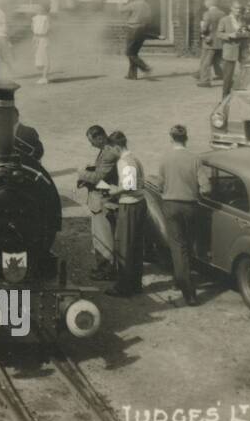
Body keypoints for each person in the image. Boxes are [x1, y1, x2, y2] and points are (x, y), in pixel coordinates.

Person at [149, 125, 201, 306]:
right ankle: (182, 280)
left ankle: (187, 290)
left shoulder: (165, 158)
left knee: (178, 248)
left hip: (171, 206)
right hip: (191, 207)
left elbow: (161, 185)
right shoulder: (195, 158)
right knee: (189, 244)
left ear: (171, 139)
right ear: (186, 138)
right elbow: (206, 186)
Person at [99, 130, 146, 297]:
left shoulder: (125, 162)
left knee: (124, 247)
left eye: (110, 148)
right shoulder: (134, 158)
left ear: (117, 147)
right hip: (139, 204)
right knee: (136, 247)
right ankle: (135, 283)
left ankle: (123, 287)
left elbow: (129, 185)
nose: (109, 152)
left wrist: (112, 191)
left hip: (130, 206)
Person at [77, 125, 120, 279]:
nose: (91, 144)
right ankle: (104, 268)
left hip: (104, 200)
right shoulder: (107, 150)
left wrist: (82, 174)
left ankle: (107, 271)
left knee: (104, 238)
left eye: (92, 141)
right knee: (102, 237)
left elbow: (98, 178)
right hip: (104, 195)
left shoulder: (108, 153)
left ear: (100, 137)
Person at [216, 0, 245, 98]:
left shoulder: (242, 20)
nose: (238, 10)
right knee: (228, 76)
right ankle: (224, 97)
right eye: (236, 8)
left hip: (241, 50)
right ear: (231, 8)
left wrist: (245, 32)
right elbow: (218, 34)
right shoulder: (224, 20)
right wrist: (229, 35)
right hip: (229, 50)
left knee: (244, 74)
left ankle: (240, 96)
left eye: (240, 9)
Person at [123, 0, 153, 80]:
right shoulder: (146, 5)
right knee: (134, 53)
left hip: (133, 29)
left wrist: (118, 1)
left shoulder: (134, 4)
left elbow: (121, 10)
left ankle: (145, 67)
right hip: (141, 30)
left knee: (129, 52)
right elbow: (149, 18)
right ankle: (132, 75)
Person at [196, 0, 225, 87]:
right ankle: (222, 75)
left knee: (205, 61)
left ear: (208, 4)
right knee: (218, 60)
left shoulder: (207, 14)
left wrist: (202, 31)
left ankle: (204, 80)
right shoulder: (223, 13)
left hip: (210, 41)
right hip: (220, 40)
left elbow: (204, 28)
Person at [31, 2, 52, 84]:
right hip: (36, 38)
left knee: (45, 58)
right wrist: (34, 37)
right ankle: (43, 76)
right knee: (38, 61)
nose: (38, 10)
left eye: (40, 8)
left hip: (43, 39)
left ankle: (44, 78)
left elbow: (48, 29)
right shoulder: (34, 18)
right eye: (37, 8)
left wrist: (41, 35)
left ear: (44, 9)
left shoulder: (46, 18)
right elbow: (32, 28)